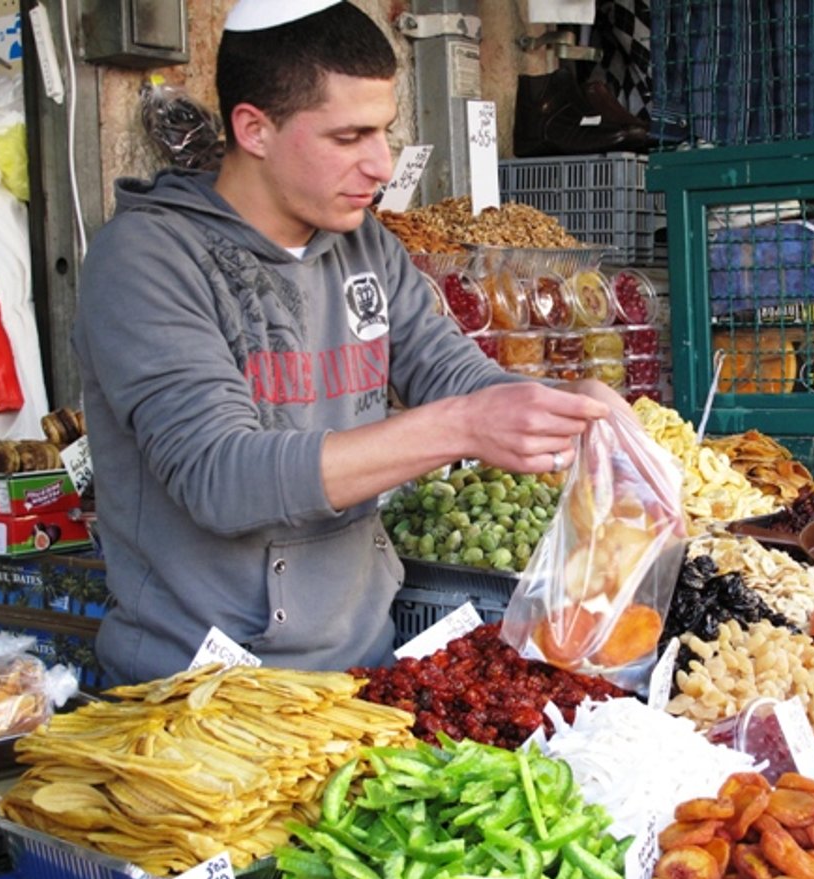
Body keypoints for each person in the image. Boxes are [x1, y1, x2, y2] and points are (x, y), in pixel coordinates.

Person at [72, 0, 629, 686]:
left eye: (385, 132)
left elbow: (449, 371)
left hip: (364, 662)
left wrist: (565, 405)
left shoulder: (362, 241)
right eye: (349, 136)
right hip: (203, 689)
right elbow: (219, 478)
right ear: (255, 128)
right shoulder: (147, 260)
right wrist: (460, 427)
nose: (381, 164)